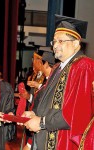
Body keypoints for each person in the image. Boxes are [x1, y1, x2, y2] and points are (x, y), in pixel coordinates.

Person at [20, 15, 94, 150]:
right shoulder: (58, 67)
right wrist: (34, 114)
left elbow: (76, 113)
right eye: (54, 41)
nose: (55, 46)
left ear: (76, 43)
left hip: (62, 140)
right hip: (44, 137)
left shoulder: (83, 66)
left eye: (61, 41)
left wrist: (42, 122)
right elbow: (46, 101)